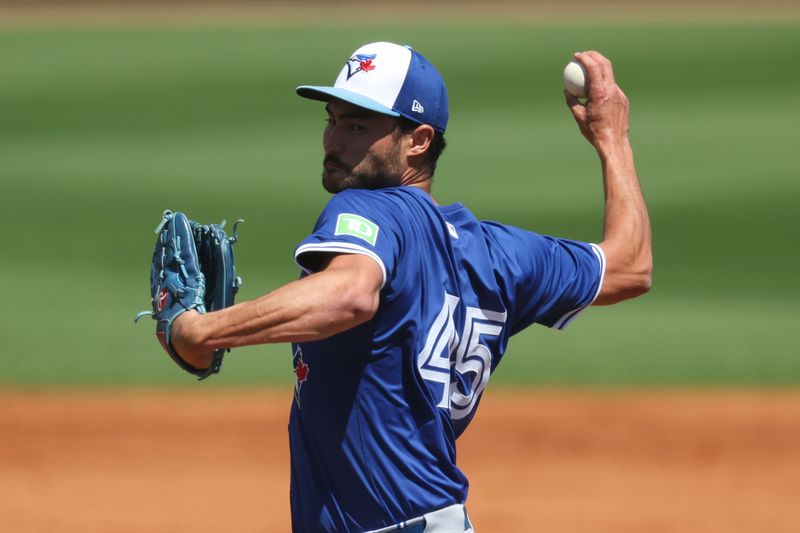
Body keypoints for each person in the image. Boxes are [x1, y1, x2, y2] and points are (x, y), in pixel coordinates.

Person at [170, 42, 652, 532]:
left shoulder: (371, 208)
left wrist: (201, 330)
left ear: (418, 140)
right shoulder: (502, 255)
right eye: (331, 120)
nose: (333, 141)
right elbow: (630, 266)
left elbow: (351, 294)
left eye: (357, 126)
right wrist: (612, 140)